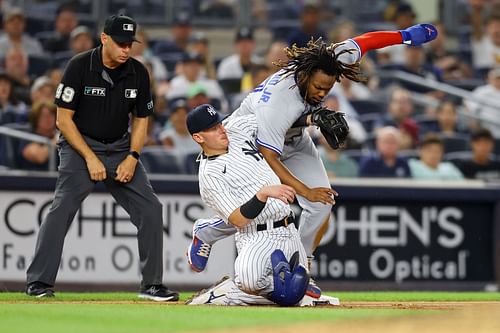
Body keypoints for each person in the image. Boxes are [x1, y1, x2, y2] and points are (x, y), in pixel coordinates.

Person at [186, 23, 438, 298]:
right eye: (318, 87)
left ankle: (302, 266)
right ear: (305, 76)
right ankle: (208, 232)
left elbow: (365, 41)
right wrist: (304, 191)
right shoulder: (279, 104)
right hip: (250, 141)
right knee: (261, 204)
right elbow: (270, 156)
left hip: (293, 138)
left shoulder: (327, 61)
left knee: (322, 204)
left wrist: (404, 36)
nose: (322, 93)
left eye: (328, 88)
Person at [25, 14, 178, 302]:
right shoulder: (80, 66)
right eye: (120, 43)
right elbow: (63, 120)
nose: (125, 49)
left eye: (129, 44)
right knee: (62, 208)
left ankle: (152, 285)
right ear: (104, 38)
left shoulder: (138, 72)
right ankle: (39, 282)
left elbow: (142, 120)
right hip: (79, 146)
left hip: (120, 148)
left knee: (151, 209)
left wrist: (133, 156)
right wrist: (90, 158)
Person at [185, 104, 336, 306]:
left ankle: (232, 292)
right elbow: (237, 219)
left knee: (293, 292)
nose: (221, 129)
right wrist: (263, 194)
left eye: (219, 123)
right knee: (254, 282)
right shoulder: (209, 177)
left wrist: (310, 119)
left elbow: (274, 119)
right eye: (212, 128)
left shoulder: (237, 128)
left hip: (288, 228)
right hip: (256, 236)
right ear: (198, 138)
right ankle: (228, 292)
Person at [18, 101, 58, 171]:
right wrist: (55, 141)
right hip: (34, 179)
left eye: (51, 115)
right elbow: (40, 157)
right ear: (36, 119)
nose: (48, 119)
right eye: (44, 116)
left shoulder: (59, 136)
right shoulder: (28, 137)